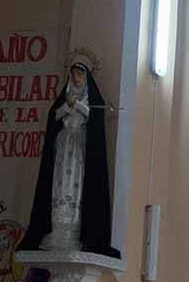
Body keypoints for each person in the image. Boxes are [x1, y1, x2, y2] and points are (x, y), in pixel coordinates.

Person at [20, 63, 119, 258]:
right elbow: (54, 117)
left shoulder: (92, 98)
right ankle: (55, 233)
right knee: (59, 185)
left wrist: (78, 105)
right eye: (74, 74)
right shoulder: (64, 97)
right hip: (63, 148)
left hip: (81, 149)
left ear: (86, 77)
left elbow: (95, 117)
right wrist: (67, 105)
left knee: (77, 186)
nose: (76, 78)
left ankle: (76, 233)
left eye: (80, 75)